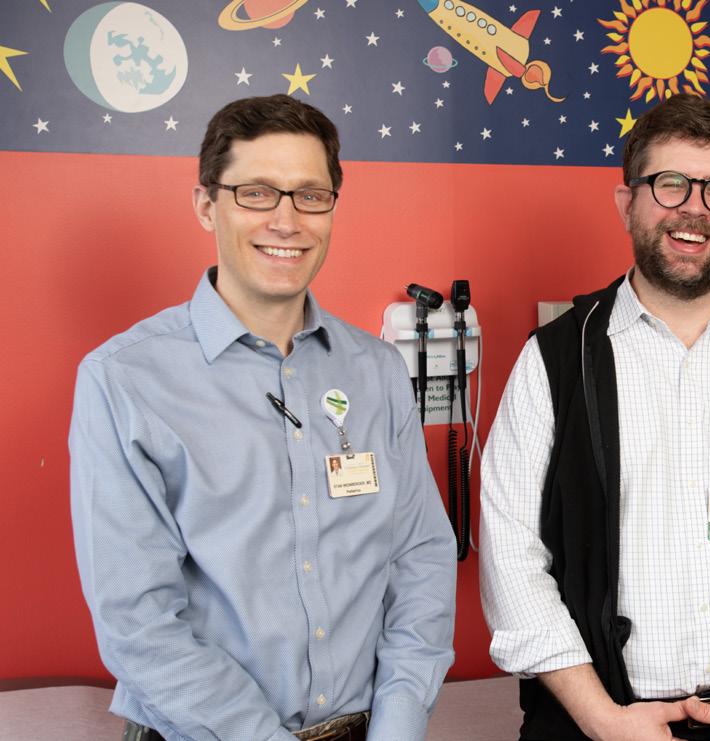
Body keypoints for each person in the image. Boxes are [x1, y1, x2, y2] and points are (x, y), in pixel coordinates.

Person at [69, 95, 457, 741]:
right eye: (255, 193)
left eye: (310, 195)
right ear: (206, 205)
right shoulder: (124, 380)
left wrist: (398, 725)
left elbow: (420, 560)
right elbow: (138, 621)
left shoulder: (378, 371)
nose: (286, 220)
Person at [480, 93, 710, 741]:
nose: (695, 209)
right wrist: (602, 719)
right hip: (596, 727)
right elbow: (511, 560)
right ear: (626, 202)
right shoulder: (555, 359)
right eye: (670, 184)